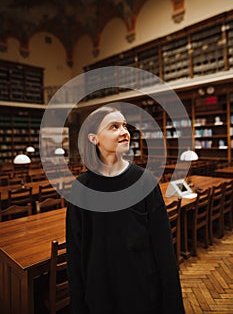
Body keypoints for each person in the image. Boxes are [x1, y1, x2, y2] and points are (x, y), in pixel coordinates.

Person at [66, 105, 185, 314]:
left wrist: (173, 305)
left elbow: (164, 249)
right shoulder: (80, 189)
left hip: (143, 295)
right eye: (114, 127)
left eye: (124, 126)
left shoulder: (144, 181)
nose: (124, 132)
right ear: (94, 138)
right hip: (100, 298)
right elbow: (75, 255)